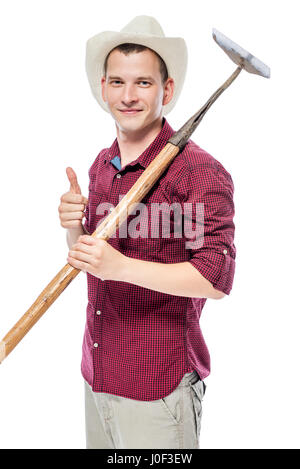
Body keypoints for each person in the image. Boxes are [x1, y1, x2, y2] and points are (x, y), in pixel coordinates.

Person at [58, 15, 236, 449]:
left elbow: (215, 279)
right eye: (117, 82)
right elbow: (92, 261)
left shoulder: (201, 173)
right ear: (103, 89)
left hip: (158, 388)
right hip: (97, 374)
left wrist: (120, 266)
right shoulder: (102, 164)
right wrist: (72, 230)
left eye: (143, 83)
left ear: (167, 90)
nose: (128, 95)